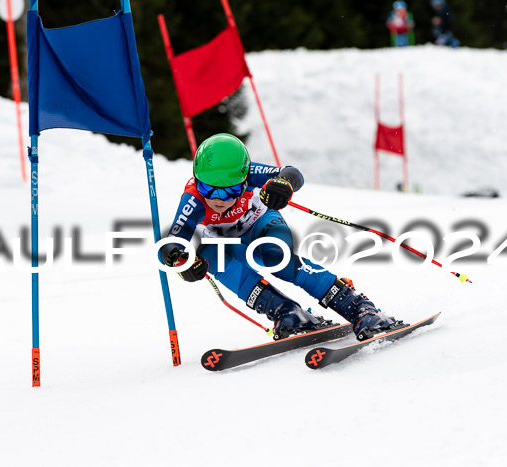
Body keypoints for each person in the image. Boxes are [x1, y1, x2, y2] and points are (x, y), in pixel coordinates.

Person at [161, 133, 398, 339]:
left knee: (274, 256)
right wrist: (182, 263)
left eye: (230, 190)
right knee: (211, 258)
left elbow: (292, 173)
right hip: (227, 241)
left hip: (261, 223)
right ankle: (287, 311)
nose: (218, 199)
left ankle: (358, 307)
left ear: (244, 180)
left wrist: (283, 185)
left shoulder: (252, 173)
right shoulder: (193, 200)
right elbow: (171, 243)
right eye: (207, 188)